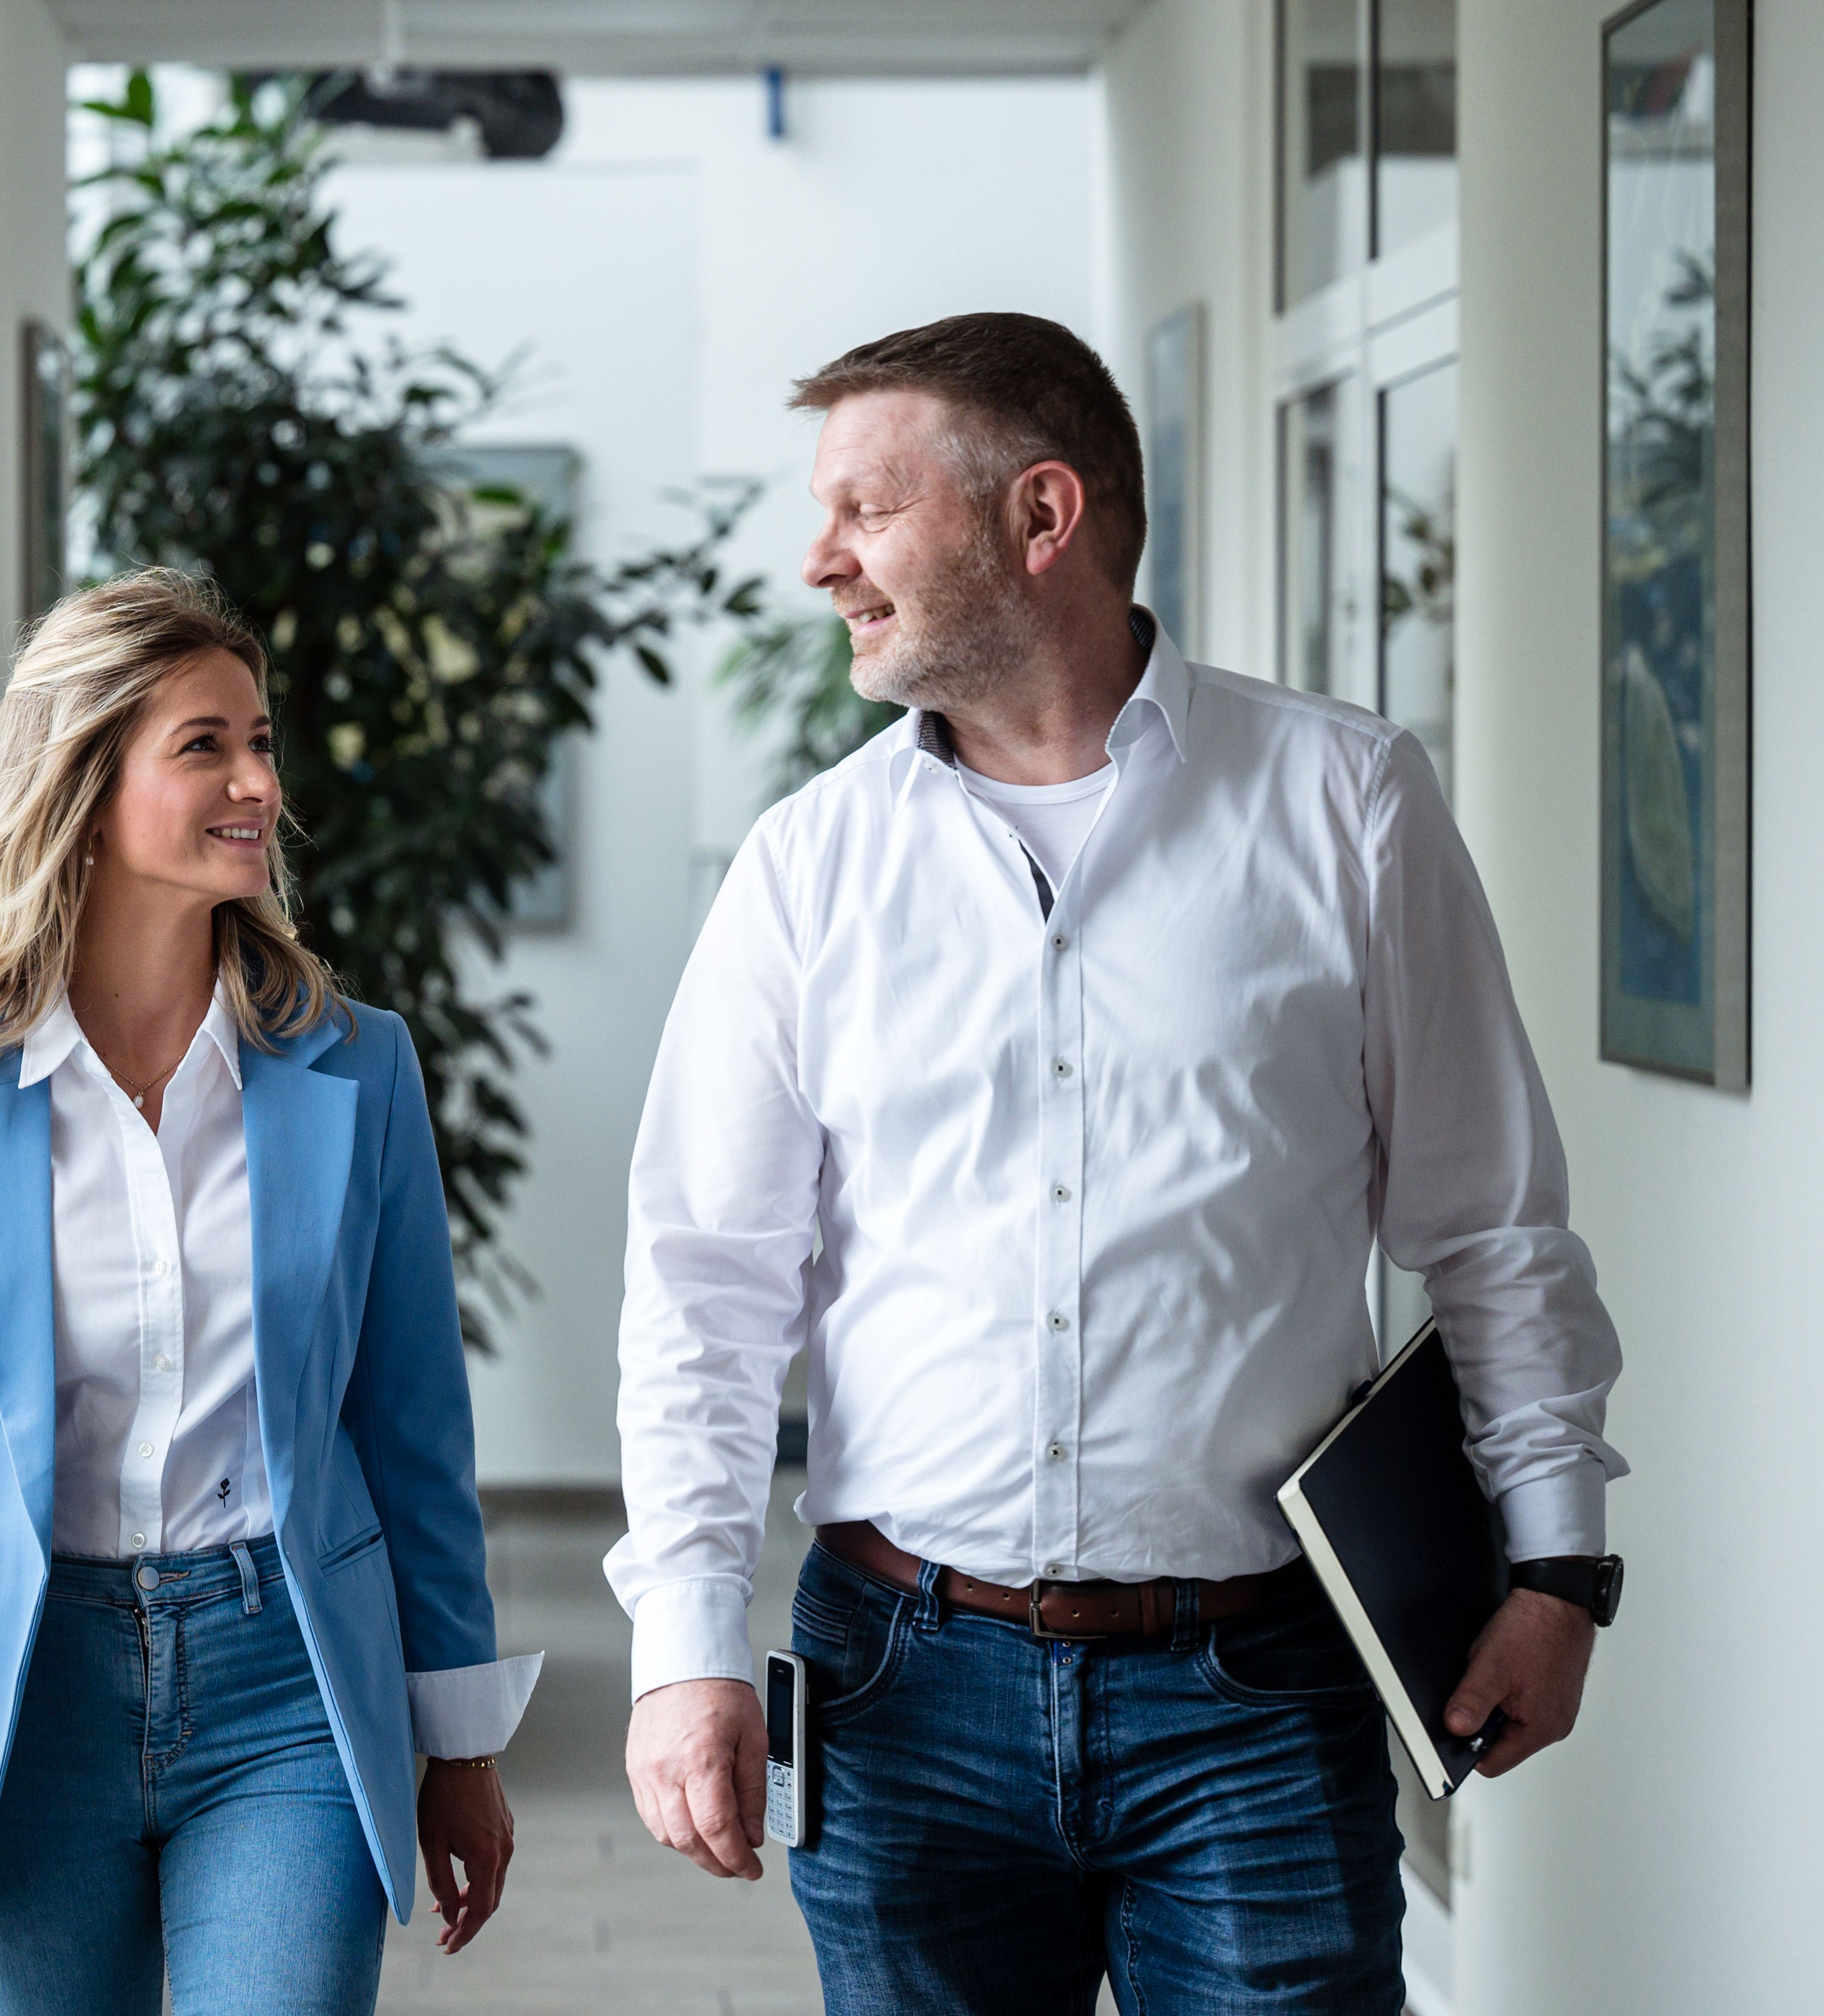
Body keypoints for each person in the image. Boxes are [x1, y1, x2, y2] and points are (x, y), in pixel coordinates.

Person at [612, 314, 1625, 2014]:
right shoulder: (808, 870)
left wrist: (1558, 1566)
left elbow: (1493, 1226)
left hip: (1257, 1695)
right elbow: (703, 1294)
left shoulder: (1348, 803)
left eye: (868, 509)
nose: (820, 560)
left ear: (1042, 515)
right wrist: (684, 1647)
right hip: (900, 1693)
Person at [0, 569, 538, 2015]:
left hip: (288, 1675)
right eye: (205, 747)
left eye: (262, 742)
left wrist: (459, 1737)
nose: (259, 784)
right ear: (86, 784)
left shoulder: (358, 1068)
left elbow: (412, 1424)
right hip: (23, 1691)